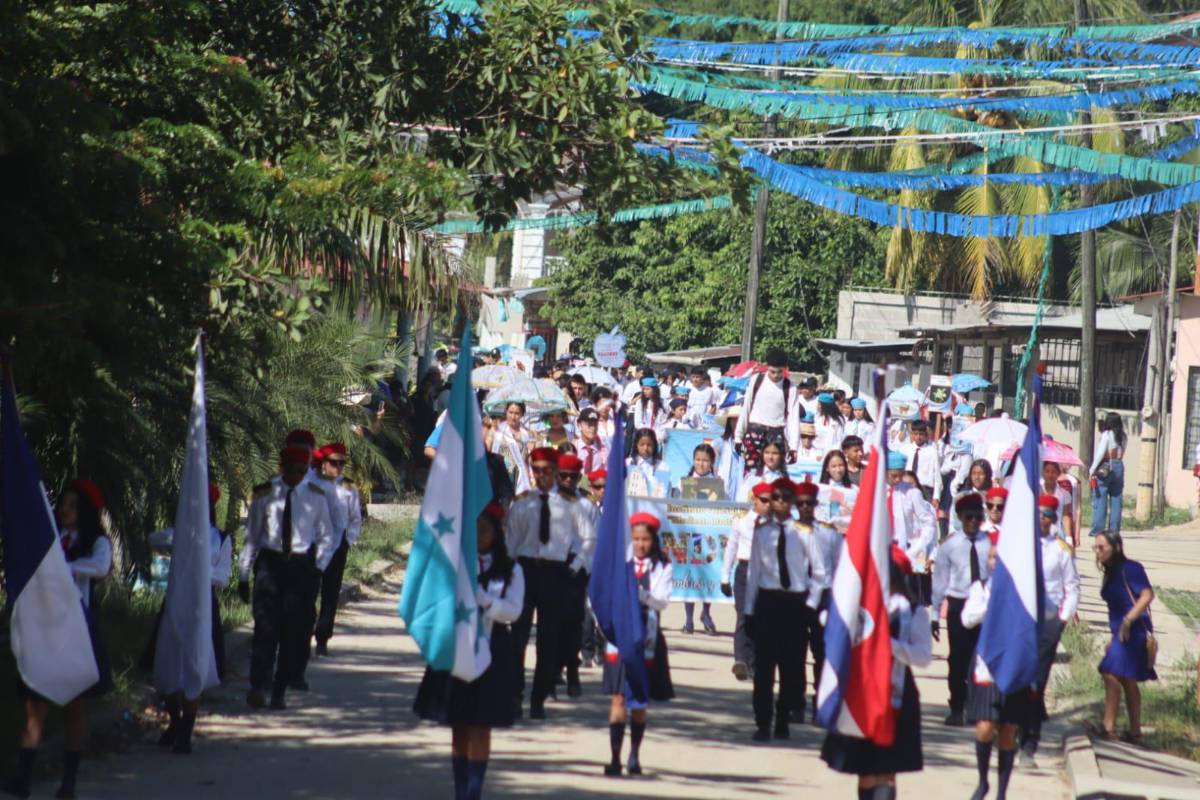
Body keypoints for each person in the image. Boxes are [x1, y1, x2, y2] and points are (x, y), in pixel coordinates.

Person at [6, 480, 113, 799]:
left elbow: (100, 567)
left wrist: (63, 568)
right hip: (44, 626)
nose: (64, 510)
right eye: (62, 504)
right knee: (34, 702)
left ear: (84, 511)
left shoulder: (96, 542)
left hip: (75, 629)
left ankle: (69, 781)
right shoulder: (49, 538)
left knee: (73, 705)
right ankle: (22, 777)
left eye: (71, 505)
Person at [413, 502, 522, 800]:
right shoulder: (456, 563)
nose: (480, 536)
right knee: (458, 722)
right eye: (474, 530)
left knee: (481, 723)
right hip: (456, 646)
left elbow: (514, 610)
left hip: (492, 647)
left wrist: (487, 601)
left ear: (497, 534)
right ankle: (461, 789)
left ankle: (475, 789)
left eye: (486, 530)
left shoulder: (511, 569)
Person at [821, 544, 932, 799]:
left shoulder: (914, 612)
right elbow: (828, 622)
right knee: (865, 769)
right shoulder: (861, 609)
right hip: (862, 693)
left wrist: (887, 645)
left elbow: (923, 657)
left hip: (896, 696)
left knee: (886, 769)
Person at [238, 446, 335, 711]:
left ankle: (280, 689)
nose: (298, 476)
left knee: (293, 632)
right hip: (270, 565)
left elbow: (327, 536)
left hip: (301, 567)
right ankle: (258, 685)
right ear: (283, 467)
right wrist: (244, 575)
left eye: (303, 471)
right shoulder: (265, 494)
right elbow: (252, 538)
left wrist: (319, 567)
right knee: (265, 628)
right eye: (294, 470)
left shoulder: (315, 496)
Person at [145, 483, 231, 755]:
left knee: (197, 666)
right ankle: (175, 720)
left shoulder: (220, 537)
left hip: (203, 605)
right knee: (166, 664)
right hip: (175, 603)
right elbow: (154, 539)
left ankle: (186, 731)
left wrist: (198, 571)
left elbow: (222, 576)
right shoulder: (178, 534)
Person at [507, 448, 588, 719]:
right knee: (517, 638)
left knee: (548, 639)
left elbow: (589, 539)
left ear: (555, 471)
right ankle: (515, 695)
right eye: (537, 470)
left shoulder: (570, 504)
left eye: (547, 470)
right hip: (526, 571)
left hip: (556, 573)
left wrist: (574, 568)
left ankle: (538, 698)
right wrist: (508, 573)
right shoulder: (522, 503)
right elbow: (511, 543)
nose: (541, 476)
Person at [744, 478, 825, 742]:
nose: (779, 502)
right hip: (768, 601)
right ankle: (763, 721)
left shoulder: (803, 532)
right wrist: (749, 611)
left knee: (791, 667)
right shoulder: (762, 531)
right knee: (764, 667)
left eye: (784, 498)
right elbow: (754, 573)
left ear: (791, 501)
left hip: (794, 603)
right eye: (775, 497)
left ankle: (783, 716)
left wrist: (809, 606)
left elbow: (820, 573)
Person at [601, 512, 674, 777]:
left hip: (647, 637)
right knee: (618, 698)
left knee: (639, 702)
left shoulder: (662, 567)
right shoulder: (623, 565)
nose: (641, 544)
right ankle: (614, 757)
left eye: (645, 539)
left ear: (653, 539)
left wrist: (639, 594)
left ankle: (634, 756)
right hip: (621, 638)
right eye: (636, 539)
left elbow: (662, 601)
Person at [962, 533, 1024, 800]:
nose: (994, 563)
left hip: (1014, 663)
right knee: (985, 727)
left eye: (999, 558)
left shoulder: (1022, 590)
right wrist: (993, 603)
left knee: (1008, 731)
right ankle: (982, 780)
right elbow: (967, 619)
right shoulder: (981, 588)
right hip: (987, 664)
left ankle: (1001, 791)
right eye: (991, 558)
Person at [1020, 496, 1080, 766]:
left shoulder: (1061, 550)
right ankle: (1013, 728)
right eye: (1038, 514)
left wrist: (1062, 619)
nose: (1041, 519)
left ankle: (1029, 741)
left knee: (1037, 681)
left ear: (1053, 517)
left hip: (1047, 623)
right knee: (1020, 678)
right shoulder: (1022, 546)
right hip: (1022, 620)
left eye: (1046, 515)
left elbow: (1072, 587)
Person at [931, 493, 993, 727]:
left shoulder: (989, 544)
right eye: (969, 517)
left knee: (981, 659)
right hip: (959, 604)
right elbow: (939, 582)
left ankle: (977, 706)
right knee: (957, 659)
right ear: (959, 517)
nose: (974, 522)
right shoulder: (950, 546)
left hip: (985, 606)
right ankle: (956, 707)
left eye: (978, 517)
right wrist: (935, 615)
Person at [1094, 530, 1156, 742]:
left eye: (1102, 547)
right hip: (1120, 633)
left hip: (1133, 631)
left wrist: (1128, 621)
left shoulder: (1131, 568)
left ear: (1117, 547)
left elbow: (1147, 595)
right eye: (1096, 547)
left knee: (1109, 672)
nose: (1098, 552)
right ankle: (1135, 731)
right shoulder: (1110, 571)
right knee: (1127, 679)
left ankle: (1108, 727)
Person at [310, 444, 362, 658]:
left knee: (331, 593)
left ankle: (323, 638)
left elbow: (355, 518)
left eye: (342, 463)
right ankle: (303, 633)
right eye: (334, 462)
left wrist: (347, 541)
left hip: (337, 546)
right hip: (312, 546)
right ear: (323, 463)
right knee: (308, 592)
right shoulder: (311, 483)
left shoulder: (348, 487)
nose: (338, 467)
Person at [793, 480, 839, 723]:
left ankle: (820, 703)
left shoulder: (828, 534)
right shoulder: (789, 532)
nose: (805, 508)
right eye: (800, 504)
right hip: (797, 599)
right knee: (795, 654)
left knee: (822, 655)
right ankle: (796, 704)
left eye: (809, 504)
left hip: (823, 600)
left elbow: (840, 566)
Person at [554, 453, 597, 699]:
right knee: (552, 624)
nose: (568, 480)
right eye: (563, 475)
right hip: (550, 566)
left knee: (573, 623)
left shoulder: (588, 506)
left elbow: (595, 540)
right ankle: (552, 671)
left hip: (577, 568)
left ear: (580, 477)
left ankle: (572, 673)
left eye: (573, 476)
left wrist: (583, 566)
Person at [721, 483, 771, 682]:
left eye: (770, 501)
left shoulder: (776, 523)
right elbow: (731, 548)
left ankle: (755, 662)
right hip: (744, 570)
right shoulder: (741, 521)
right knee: (743, 616)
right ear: (754, 500)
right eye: (764, 500)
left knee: (762, 619)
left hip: (766, 573)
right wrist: (725, 576)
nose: (768, 505)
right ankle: (740, 659)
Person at [735, 349, 800, 471]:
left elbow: (793, 419)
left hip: (777, 434)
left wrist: (793, 447)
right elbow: (746, 409)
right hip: (754, 432)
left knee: (775, 474)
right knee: (751, 474)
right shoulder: (756, 380)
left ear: (785, 369)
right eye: (772, 371)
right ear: (766, 367)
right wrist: (738, 437)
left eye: (779, 372)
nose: (776, 375)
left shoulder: (790, 388)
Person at [680, 444, 719, 635]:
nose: (701, 464)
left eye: (705, 460)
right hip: (692, 537)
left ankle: (706, 613)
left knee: (708, 577)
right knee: (690, 578)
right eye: (698, 459)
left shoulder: (717, 483)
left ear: (711, 462)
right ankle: (688, 619)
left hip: (710, 537)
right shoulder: (686, 481)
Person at [1090, 413, 1127, 535]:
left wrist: (1093, 468)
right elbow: (1122, 452)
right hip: (1119, 465)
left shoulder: (1107, 434)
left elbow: (1101, 452)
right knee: (1116, 497)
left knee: (1101, 496)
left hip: (1106, 465)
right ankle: (1114, 529)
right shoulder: (1123, 436)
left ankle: (1098, 528)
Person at [492, 402, 533, 494]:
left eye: (516, 413)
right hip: (501, 475)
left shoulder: (525, 434)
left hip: (519, 478)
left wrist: (528, 480)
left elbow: (525, 460)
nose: (513, 416)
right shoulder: (498, 430)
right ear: (506, 412)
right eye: (510, 412)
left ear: (522, 414)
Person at [902, 420, 940, 506]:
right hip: (908, 487)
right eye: (915, 434)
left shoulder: (932, 451)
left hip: (925, 489)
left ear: (926, 435)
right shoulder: (905, 450)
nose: (918, 437)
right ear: (912, 434)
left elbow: (937, 475)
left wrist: (936, 496)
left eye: (921, 434)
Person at [626, 428, 671, 498]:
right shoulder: (628, 463)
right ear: (636, 445)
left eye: (649, 445)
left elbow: (662, 493)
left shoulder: (662, 466)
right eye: (642, 444)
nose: (645, 448)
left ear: (654, 446)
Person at [1039, 461, 1075, 546]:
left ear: (1058, 473)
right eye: (1047, 471)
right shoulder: (1037, 491)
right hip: (1039, 531)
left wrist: (1069, 537)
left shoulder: (1064, 494)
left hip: (1057, 532)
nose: (1050, 475)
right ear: (1043, 473)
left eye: (1053, 472)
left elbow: (1066, 516)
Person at [573, 408, 608, 475]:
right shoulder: (574, 448)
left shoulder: (603, 449)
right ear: (579, 425)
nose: (593, 428)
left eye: (595, 424)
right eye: (589, 424)